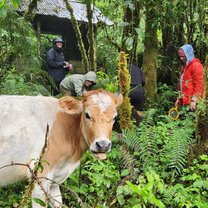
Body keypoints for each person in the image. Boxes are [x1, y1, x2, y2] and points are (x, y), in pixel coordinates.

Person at [175, 44, 204, 111]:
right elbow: (181, 84)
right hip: (185, 101)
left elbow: (199, 84)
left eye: (183, 56)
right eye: (180, 56)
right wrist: (179, 98)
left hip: (192, 102)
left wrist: (194, 100)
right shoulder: (183, 66)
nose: (181, 58)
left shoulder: (196, 65)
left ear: (188, 55)